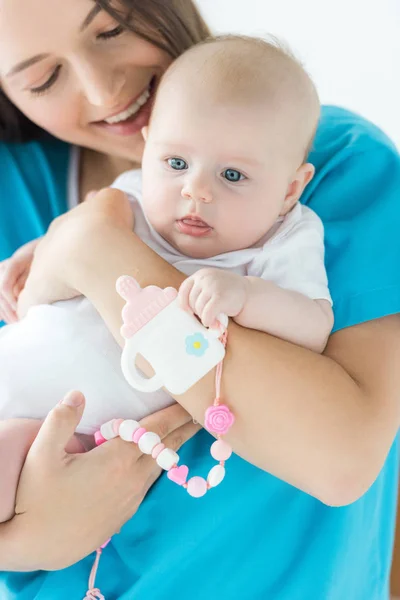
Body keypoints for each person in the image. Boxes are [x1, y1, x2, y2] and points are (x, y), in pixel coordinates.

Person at [0, 1, 399, 599]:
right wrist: (26, 541)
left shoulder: (336, 162)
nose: (104, 89)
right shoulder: (18, 185)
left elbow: (338, 458)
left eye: (111, 30)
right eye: (44, 77)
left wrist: (94, 251)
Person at [0, 36, 334, 527]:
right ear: (149, 144)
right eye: (176, 163)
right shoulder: (134, 192)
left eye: (233, 175)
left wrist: (246, 297)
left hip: (69, 429)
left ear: (289, 189)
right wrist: (32, 253)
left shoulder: (285, 238)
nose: (195, 190)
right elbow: (70, 239)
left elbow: (314, 325)